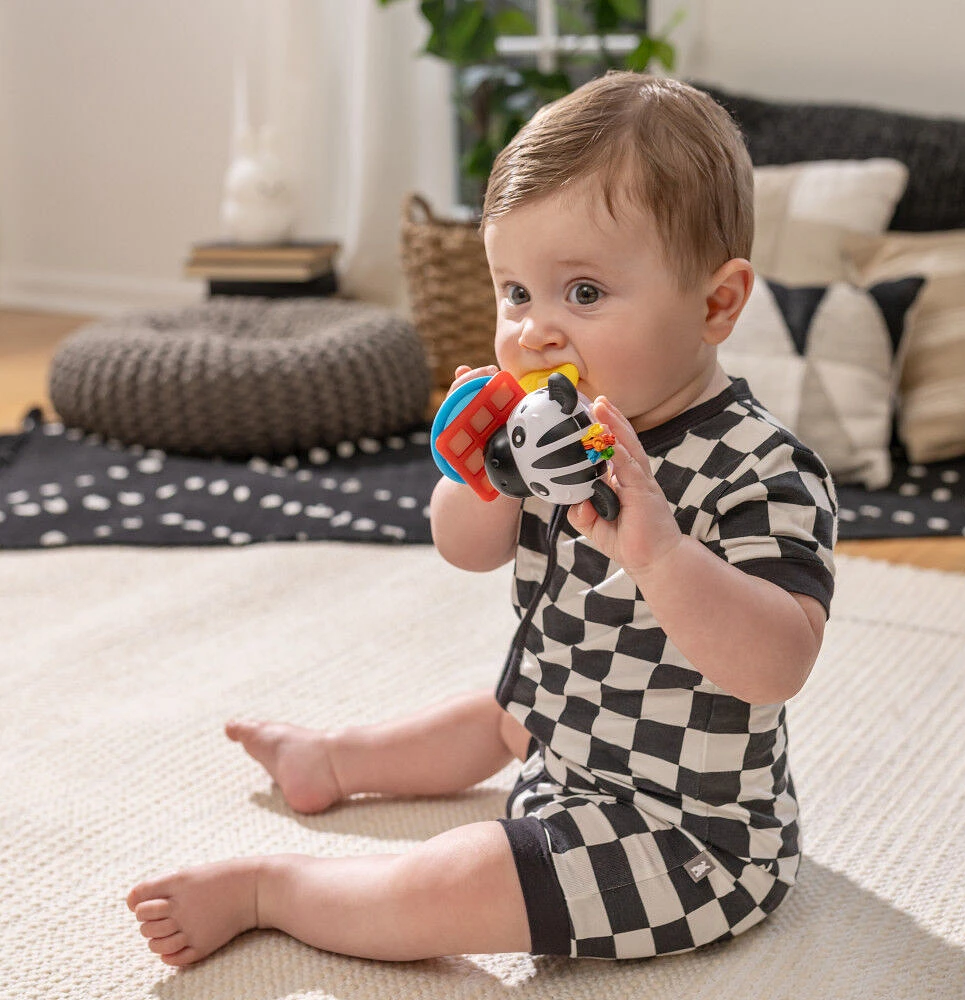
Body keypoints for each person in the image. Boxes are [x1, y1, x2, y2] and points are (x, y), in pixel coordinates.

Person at [127, 71, 836, 965]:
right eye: (515, 292)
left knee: (455, 881)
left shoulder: (762, 467)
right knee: (501, 713)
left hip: (685, 834)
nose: (536, 331)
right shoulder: (554, 431)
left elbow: (778, 665)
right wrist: (482, 474)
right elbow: (462, 550)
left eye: (582, 293)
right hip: (562, 731)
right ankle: (337, 760)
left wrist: (660, 551)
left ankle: (275, 888)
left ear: (715, 304)